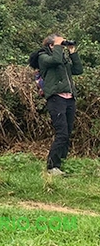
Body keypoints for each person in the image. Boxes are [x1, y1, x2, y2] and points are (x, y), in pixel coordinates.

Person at [38, 34, 82, 175]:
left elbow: (78, 70)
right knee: (61, 133)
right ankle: (52, 166)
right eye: (59, 45)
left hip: (70, 99)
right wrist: (58, 44)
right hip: (56, 98)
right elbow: (55, 59)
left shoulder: (62, 60)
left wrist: (72, 52)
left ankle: (61, 163)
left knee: (68, 132)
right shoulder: (43, 58)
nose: (62, 47)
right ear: (51, 45)